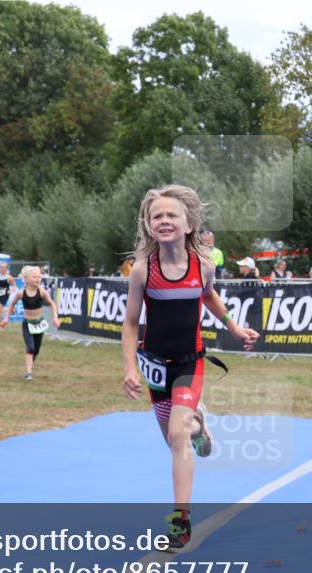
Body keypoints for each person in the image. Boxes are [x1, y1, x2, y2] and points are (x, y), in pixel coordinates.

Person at [122, 185, 259, 550]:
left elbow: (208, 294)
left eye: (172, 215)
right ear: (149, 226)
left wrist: (233, 326)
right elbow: (131, 323)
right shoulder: (142, 271)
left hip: (189, 363)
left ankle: (180, 522)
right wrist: (129, 368)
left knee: (178, 435)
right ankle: (199, 423)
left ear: (188, 224)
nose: (164, 220)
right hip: (155, 366)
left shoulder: (203, 266)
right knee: (174, 440)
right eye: (157, 216)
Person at [5, 265, 60, 381]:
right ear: (26, 279)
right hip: (27, 324)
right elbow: (12, 303)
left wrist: (55, 317)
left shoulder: (42, 292)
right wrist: (7, 317)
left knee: (36, 350)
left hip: (39, 323)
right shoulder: (21, 293)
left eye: (39, 277)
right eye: (34, 277)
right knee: (30, 347)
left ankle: (29, 361)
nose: (38, 279)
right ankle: (28, 373)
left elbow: (52, 303)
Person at [0, 262, 17, 330]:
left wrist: (11, 290)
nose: (2, 269)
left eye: (3, 267)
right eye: (0, 267)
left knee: (0, 307)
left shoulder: (9, 277)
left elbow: (14, 286)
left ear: (6, 268)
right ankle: (10, 309)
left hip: (6, 293)